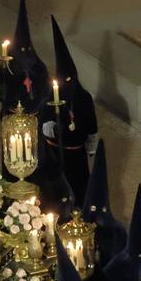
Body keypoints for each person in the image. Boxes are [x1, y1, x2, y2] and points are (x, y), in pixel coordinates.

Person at [44, 17, 99, 204]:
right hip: (55, 155)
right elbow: (45, 121)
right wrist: (50, 127)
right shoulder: (52, 96)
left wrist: (91, 152)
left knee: (79, 191)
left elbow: (92, 128)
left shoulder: (84, 97)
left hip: (78, 157)